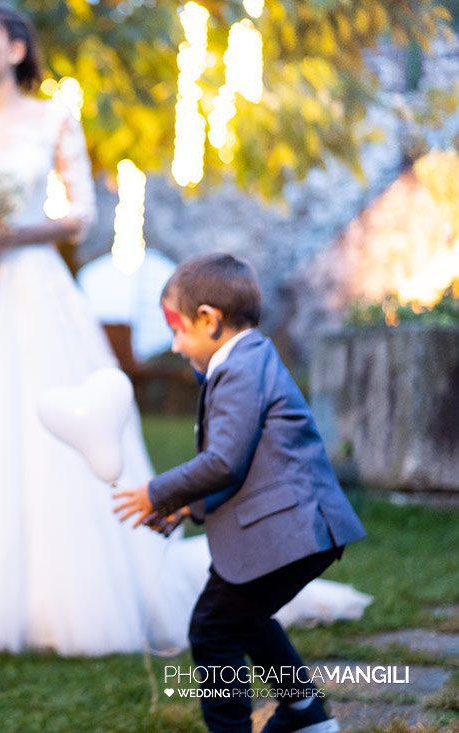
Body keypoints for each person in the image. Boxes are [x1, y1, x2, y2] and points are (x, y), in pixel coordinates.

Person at [0, 3, 368, 656]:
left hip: (31, 284)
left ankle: (67, 592)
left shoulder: (54, 119)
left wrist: (16, 231)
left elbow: (78, 214)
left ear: (16, 49)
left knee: (40, 427)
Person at [113, 253, 367, 733]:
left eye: (177, 328)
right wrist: (187, 504)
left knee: (212, 631)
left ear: (208, 320)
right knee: (246, 621)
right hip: (297, 531)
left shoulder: (239, 370)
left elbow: (224, 461)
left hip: (290, 532)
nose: (174, 343)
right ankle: (306, 716)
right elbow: (247, 464)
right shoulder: (252, 359)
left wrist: (156, 492)